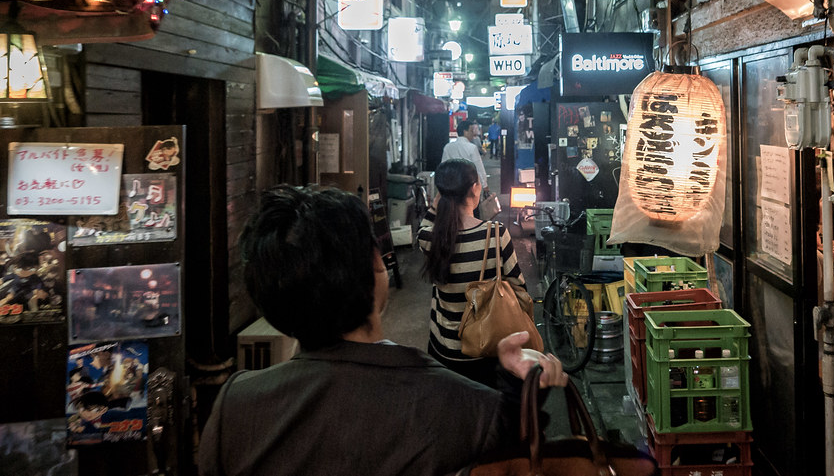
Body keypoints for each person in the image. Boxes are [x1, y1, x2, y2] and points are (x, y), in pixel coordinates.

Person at [199, 185, 565, 476]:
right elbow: (517, 447)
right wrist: (521, 387)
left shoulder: (234, 409)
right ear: (377, 265)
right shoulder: (466, 407)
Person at [418, 159, 526, 388]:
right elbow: (518, 287)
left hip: (442, 351)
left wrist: (436, 206)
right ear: (475, 189)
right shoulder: (496, 234)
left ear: (441, 194)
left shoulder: (428, 238)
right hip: (485, 348)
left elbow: (424, 226)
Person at [440, 119, 489, 192]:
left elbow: (443, 167)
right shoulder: (472, 148)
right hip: (468, 185)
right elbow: (479, 168)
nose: (473, 133)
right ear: (465, 132)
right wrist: (485, 185)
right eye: (471, 131)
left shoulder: (448, 147)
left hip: (451, 185)